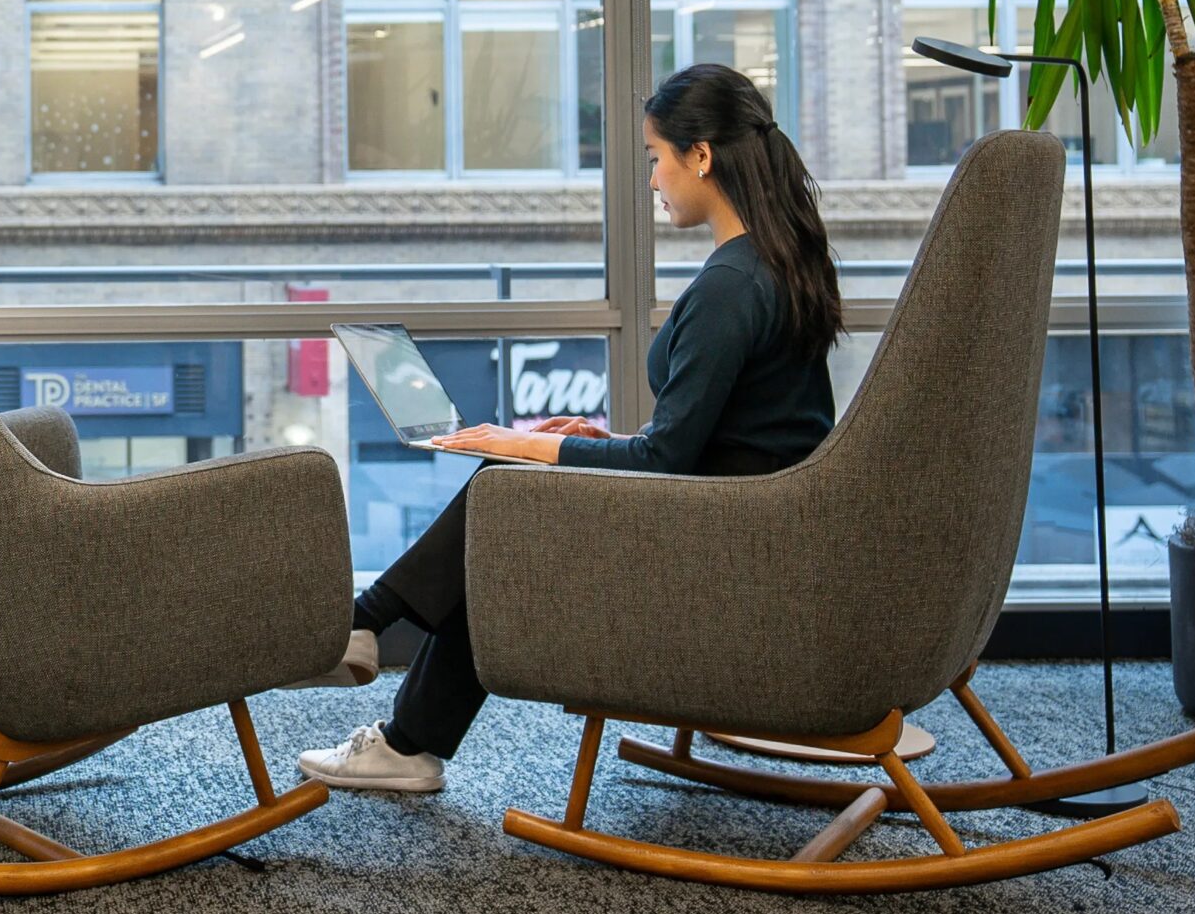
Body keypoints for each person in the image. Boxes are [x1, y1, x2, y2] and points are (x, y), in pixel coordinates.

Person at [295, 63, 843, 792]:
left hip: (720, 551)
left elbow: (669, 461)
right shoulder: (783, 264)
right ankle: (390, 698)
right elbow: (727, 442)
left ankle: (370, 640)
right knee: (509, 496)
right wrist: (591, 439)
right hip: (745, 527)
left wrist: (522, 443)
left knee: (505, 489)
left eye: (656, 158)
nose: (653, 181)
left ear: (701, 155)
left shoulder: (731, 285)